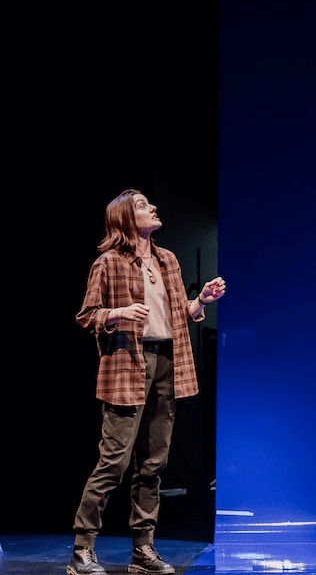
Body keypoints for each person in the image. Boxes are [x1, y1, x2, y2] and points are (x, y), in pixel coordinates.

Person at [68, 190, 226, 575]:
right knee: (114, 463)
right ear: (124, 218)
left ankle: (143, 550)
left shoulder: (167, 259)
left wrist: (200, 301)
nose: (152, 208)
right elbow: (87, 316)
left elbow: (177, 316)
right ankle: (82, 550)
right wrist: (118, 312)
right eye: (142, 205)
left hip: (167, 365)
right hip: (126, 365)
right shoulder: (107, 263)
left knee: (154, 464)